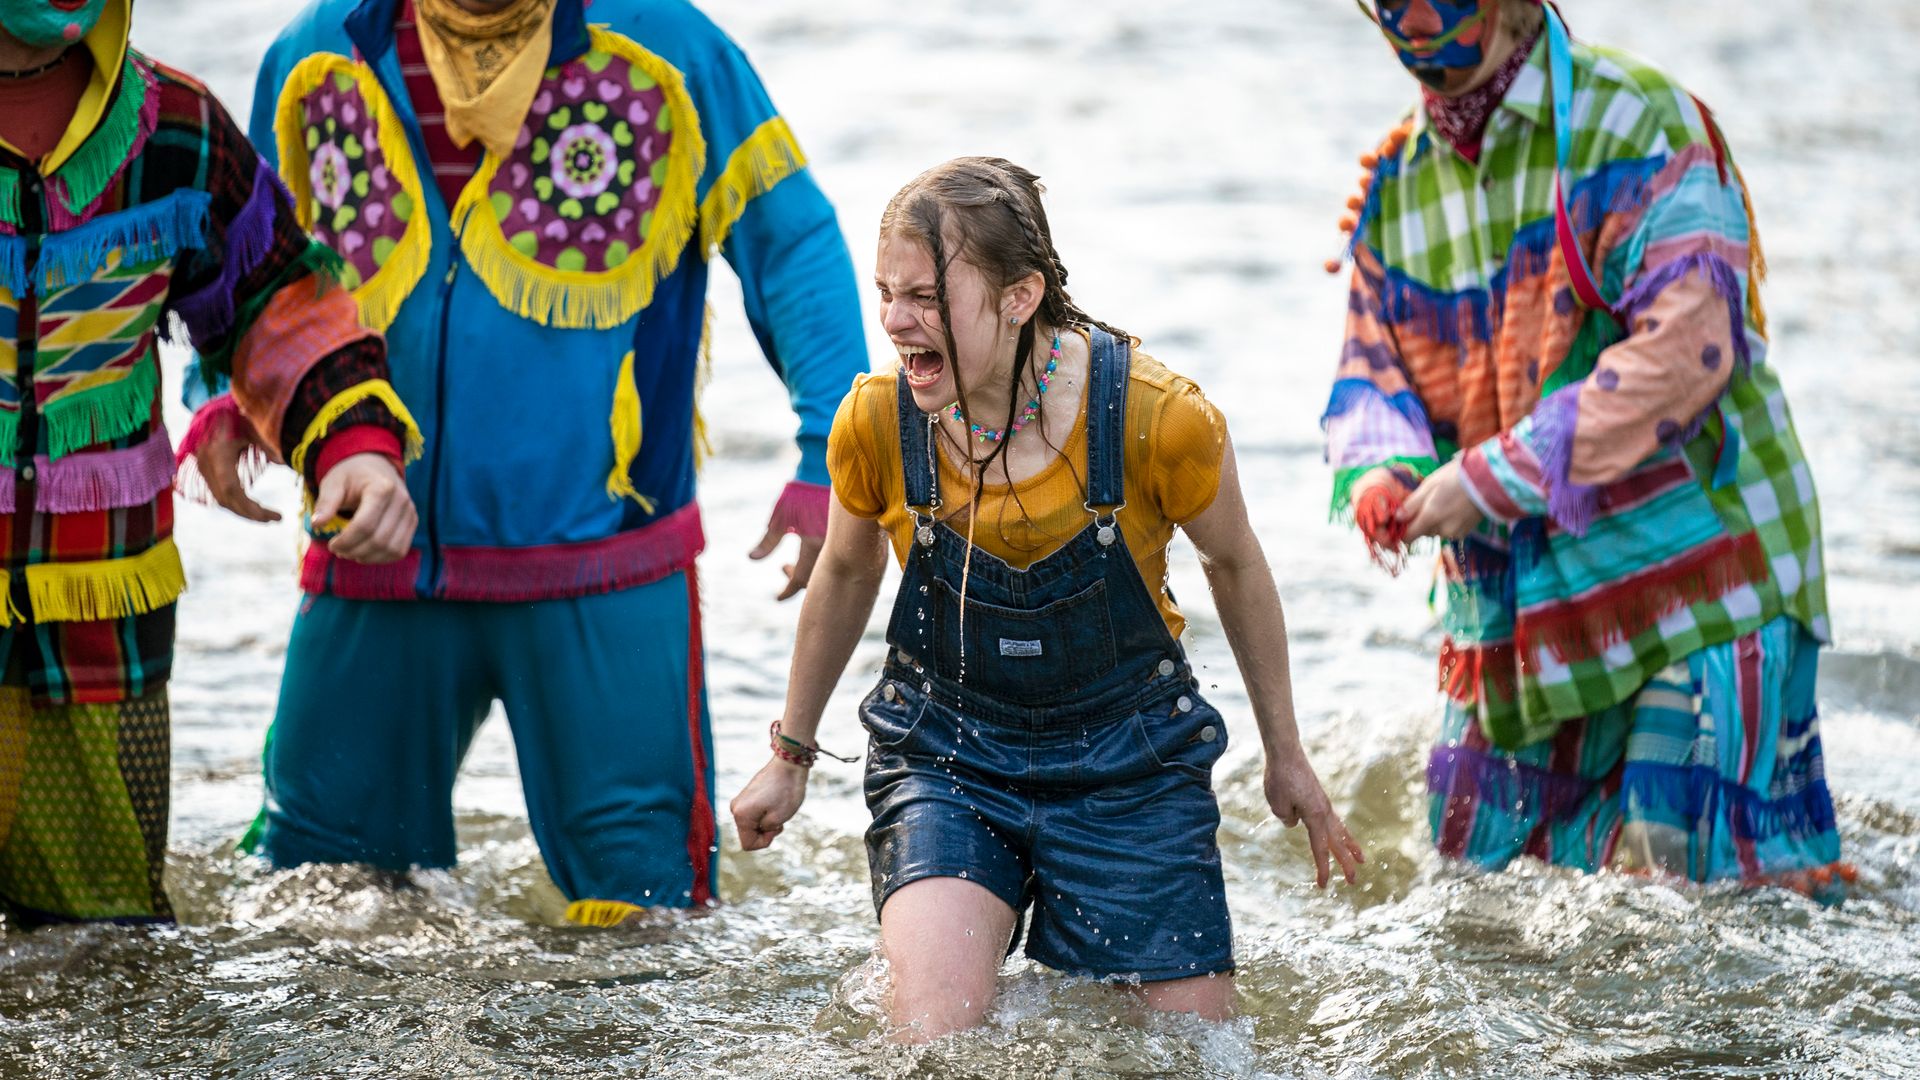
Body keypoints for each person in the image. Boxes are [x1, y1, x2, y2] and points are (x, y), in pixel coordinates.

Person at [240, 0, 868, 924]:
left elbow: (792, 242)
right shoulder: (316, 53)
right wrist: (222, 402)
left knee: (644, 914)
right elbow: (248, 264)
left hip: (606, 568)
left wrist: (830, 459)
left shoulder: (672, 47)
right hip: (371, 558)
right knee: (316, 900)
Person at [729, 158, 1364, 1039]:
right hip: (947, 754)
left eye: (923, 296)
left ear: (1021, 296)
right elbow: (843, 573)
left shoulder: (1159, 418)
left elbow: (1238, 566)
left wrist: (1285, 753)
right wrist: (790, 756)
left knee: (1194, 1051)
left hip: (1131, 764)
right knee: (932, 1037)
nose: (894, 321)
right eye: (886, 293)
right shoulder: (876, 421)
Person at [1325, 0, 1845, 896]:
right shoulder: (1395, 185)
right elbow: (1372, 375)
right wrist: (1382, 472)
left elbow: (1689, 352)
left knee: (1687, 881)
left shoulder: (1636, 120)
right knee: (1472, 880)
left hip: (1702, 571)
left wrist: (1488, 479)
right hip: (1521, 609)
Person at [0, 0, 416, 926]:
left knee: (101, 958)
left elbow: (278, 299)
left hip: (101, 629)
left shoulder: (174, 130)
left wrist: (353, 449)